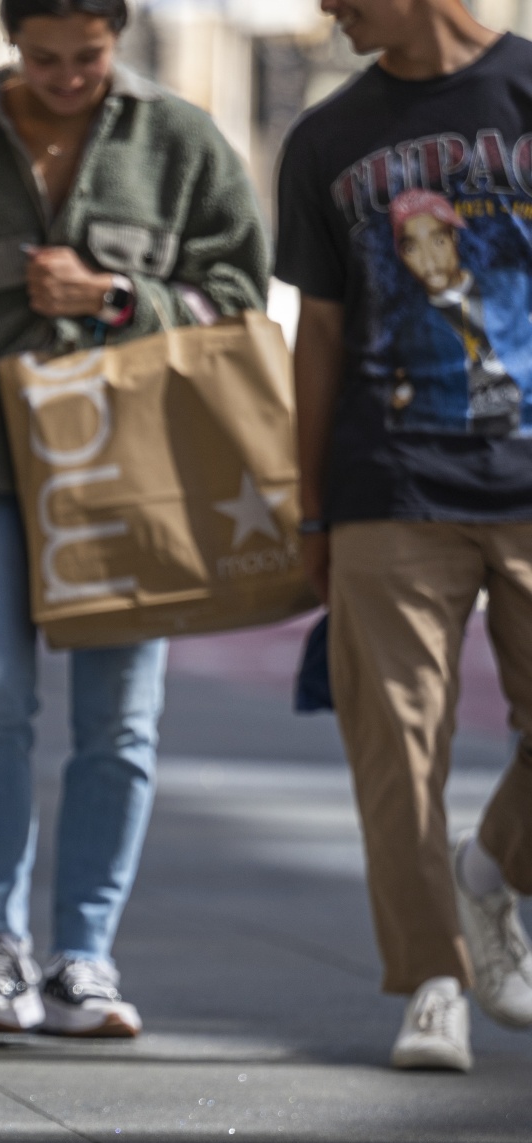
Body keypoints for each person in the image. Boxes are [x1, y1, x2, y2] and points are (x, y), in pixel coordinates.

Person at [0, 0, 268, 1038]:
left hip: (132, 470)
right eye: (42, 58)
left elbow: (239, 302)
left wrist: (114, 294)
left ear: (115, 38)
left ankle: (84, 954)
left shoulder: (180, 141)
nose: (66, 76)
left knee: (119, 715)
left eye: (86, 57)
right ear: (9, 41)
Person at [276, 0, 532, 1072]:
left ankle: (487, 871)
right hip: (387, 482)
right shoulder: (323, 139)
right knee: (394, 753)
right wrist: (308, 505)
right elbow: (319, 335)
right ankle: (432, 982)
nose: (324, 8)